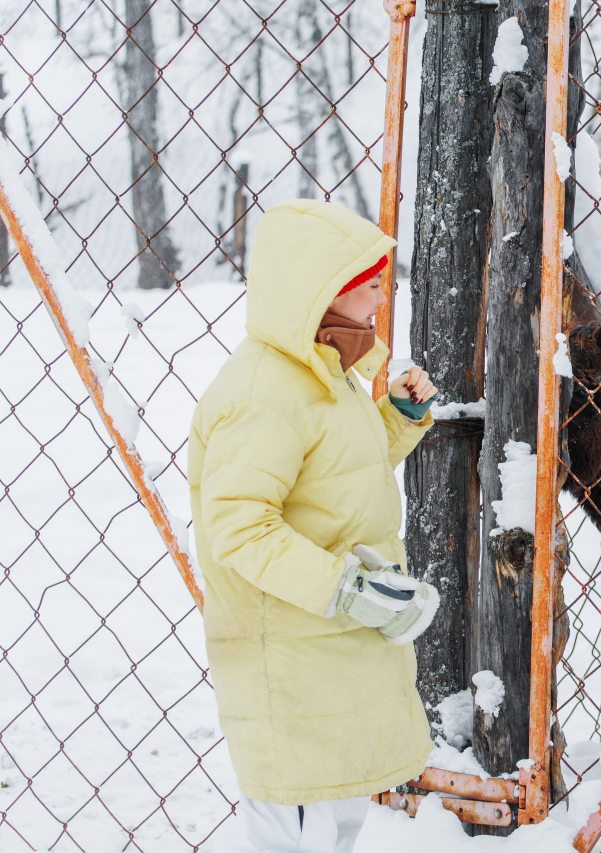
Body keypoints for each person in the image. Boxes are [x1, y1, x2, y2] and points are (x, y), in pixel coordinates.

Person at [188, 199, 440, 852]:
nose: (385, 293)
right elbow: (239, 526)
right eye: (370, 282)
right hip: (291, 657)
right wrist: (346, 587)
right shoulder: (263, 394)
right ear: (319, 289)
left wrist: (398, 416)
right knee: (298, 832)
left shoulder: (327, 376)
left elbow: (338, 476)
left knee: (341, 819)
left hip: (332, 649)